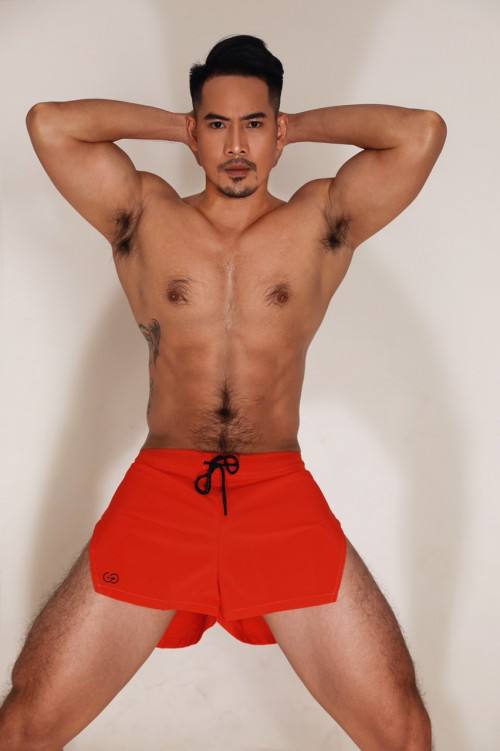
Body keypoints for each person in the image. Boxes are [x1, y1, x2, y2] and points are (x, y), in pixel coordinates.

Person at [1, 33, 446, 751]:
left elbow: (420, 133)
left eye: (255, 124)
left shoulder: (319, 220)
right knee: (26, 724)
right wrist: (175, 125)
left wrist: (296, 126)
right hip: (165, 489)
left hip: (276, 490)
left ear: (277, 130)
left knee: (401, 729)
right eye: (216, 125)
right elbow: (50, 124)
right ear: (195, 131)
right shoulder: (146, 215)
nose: (236, 146)